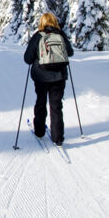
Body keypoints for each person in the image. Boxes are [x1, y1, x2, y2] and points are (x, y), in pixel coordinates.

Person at [23, 12, 73, 146]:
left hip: (41, 76)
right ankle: (58, 137)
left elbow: (27, 59)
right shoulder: (60, 35)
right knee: (56, 106)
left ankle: (39, 131)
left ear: (42, 23)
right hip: (59, 76)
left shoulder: (38, 36)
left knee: (41, 102)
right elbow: (70, 53)